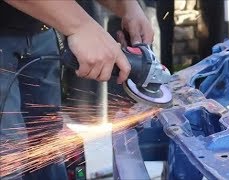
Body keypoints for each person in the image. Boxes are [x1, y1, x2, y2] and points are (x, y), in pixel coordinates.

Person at [0, 0, 154, 179]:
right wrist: (80, 26)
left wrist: (128, 7)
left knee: (47, 140)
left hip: (41, 25)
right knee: (8, 150)